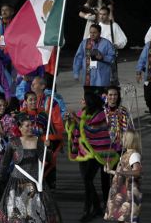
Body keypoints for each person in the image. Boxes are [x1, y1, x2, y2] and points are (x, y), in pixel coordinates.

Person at [0, 116, 61, 223]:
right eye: (27, 126)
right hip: (17, 184)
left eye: (31, 125)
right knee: (17, 214)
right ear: (20, 127)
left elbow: (48, 159)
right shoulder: (13, 142)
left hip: (36, 183)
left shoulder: (39, 141)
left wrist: (48, 148)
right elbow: (4, 164)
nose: (30, 128)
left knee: (37, 214)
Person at [65, 92, 119, 222]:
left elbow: (92, 129)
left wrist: (76, 119)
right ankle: (95, 208)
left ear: (90, 102)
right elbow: (74, 129)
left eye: (84, 99)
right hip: (83, 152)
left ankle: (89, 210)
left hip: (99, 152)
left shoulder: (100, 114)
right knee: (86, 181)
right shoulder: (82, 112)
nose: (81, 101)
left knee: (90, 180)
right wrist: (69, 120)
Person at [104, 130, 142, 223]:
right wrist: (110, 171)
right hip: (121, 189)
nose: (121, 140)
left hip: (128, 189)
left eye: (123, 138)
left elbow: (137, 172)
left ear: (129, 140)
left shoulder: (134, 155)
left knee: (128, 217)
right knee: (122, 216)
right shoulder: (125, 154)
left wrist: (123, 172)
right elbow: (120, 173)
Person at [73, 24, 116, 95]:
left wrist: (103, 58)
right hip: (88, 80)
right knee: (89, 101)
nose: (92, 35)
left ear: (99, 33)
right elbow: (78, 58)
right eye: (91, 32)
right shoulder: (84, 43)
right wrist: (76, 73)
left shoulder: (106, 43)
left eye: (94, 33)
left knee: (101, 101)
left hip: (101, 80)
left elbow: (112, 58)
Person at [104, 86, 134, 154]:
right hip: (105, 144)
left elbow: (128, 127)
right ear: (106, 96)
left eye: (115, 95)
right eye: (110, 95)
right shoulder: (102, 111)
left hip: (120, 145)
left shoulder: (123, 110)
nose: (113, 97)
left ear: (118, 96)